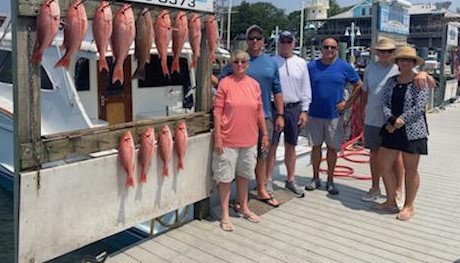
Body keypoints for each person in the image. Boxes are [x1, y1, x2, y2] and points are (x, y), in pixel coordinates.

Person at [361, 38, 436, 203]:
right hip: (378, 119)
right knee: (376, 156)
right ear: (377, 52)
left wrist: (424, 73)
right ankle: (378, 190)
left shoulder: (410, 72)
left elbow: (428, 89)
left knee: (402, 162)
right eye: (381, 51)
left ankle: (400, 191)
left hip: (406, 128)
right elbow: (374, 97)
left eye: (389, 51)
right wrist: (363, 113)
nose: (385, 54)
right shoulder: (373, 71)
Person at [218, 25, 284, 207]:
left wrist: (280, 114)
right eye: (251, 38)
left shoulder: (271, 62)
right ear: (247, 40)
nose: (255, 41)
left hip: (265, 116)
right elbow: (220, 80)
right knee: (240, 157)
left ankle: (261, 189)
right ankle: (241, 196)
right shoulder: (239, 59)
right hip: (239, 119)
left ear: (263, 41)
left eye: (258, 38)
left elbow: (277, 90)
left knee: (262, 155)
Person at [213, 50, 268, 231]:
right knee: (225, 178)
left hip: (250, 139)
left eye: (243, 61)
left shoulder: (254, 85)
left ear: (248, 63)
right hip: (228, 139)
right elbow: (218, 112)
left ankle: (244, 207)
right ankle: (225, 214)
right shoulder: (225, 84)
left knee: (244, 175)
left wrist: (265, 133)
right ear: (231, 64)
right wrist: (218, 137)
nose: (240, 64)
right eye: (236, 61)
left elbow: (259, 111)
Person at [373, 46, 429, 221]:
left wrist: (400, 121)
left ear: (413, 63)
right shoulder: (392, 81)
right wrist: (392, 121)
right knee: (383, 164)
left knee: (411, 169)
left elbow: (420, 106)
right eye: (402, 59)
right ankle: (390, 200)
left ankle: (409, 205)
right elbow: (385, 103)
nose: (405, 62)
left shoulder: (419, 80)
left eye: (409, 60)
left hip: (413, 131)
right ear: (397, 62)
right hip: (391, 128)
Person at [305, 37, 363, 195]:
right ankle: (315, 177)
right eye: (326, 47)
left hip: (334, 116)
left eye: (333, 47)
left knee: (332, 149)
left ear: (337, 49)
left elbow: (358, 85)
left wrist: (348, 103)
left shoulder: (344, 67)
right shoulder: (311, 66)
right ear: (321, 48)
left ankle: (330, 180)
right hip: (314, 114)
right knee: (315, 147)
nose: (329, 50)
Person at [266, 30, 311, 197]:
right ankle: (268, 179)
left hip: (294, 108)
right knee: (271, 145)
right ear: (278, 43)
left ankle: (291, 179)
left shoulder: (301, 63)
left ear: (294, 43)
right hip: (273, 107)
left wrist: (304, 110)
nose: (285, 44)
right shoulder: (271, 62)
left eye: (288, 41)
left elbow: (306, 88)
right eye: (283, 41)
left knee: (291, 145)